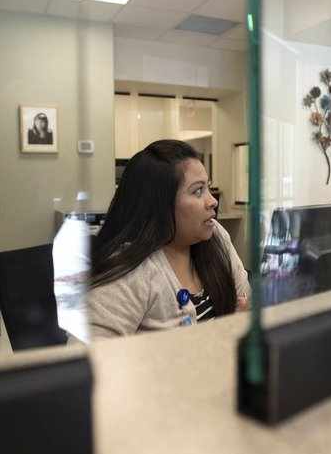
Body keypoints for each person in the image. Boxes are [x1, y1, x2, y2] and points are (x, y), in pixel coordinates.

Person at [73, 139, 249, 341]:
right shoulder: (129, 270)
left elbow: (244, 301)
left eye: (208, 188)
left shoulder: (215, 236)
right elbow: (83, 363)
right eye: (197, 191)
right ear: (160, 204)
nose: (213, 201)